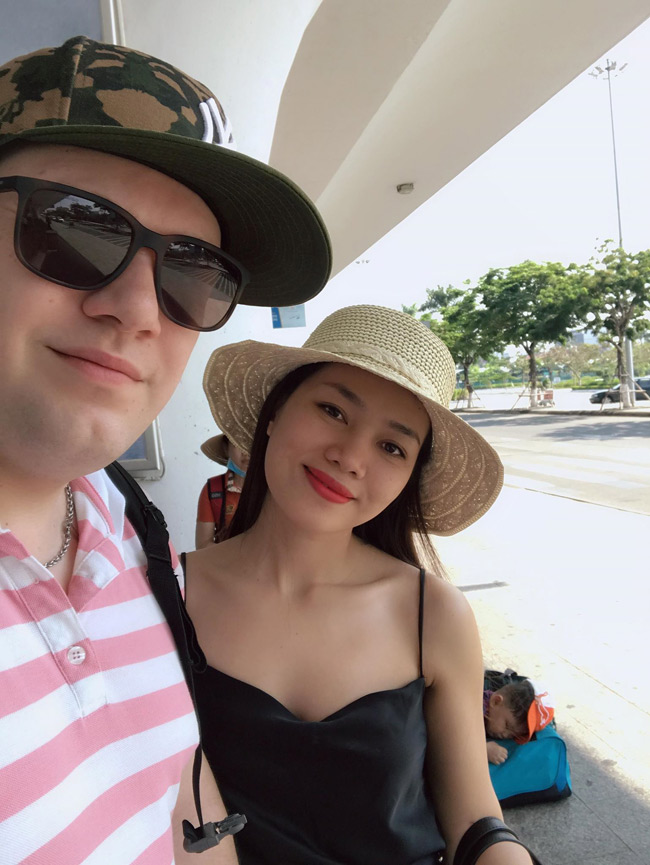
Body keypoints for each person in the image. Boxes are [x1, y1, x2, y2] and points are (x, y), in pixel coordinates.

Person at [0, 35, 330, 865]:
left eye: (194, 273)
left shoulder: (125, 519)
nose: (140, 309)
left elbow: (185, 801)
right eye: (75, 229)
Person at [184, 305, 536, 865]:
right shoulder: (168, 595)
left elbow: (474, 817)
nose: (349, 458)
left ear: (408, 477)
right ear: (274, 413)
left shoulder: (433, 613)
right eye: (332, 410)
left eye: (392, 447)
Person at [196, 434, 249, 548]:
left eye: (252, 442)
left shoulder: (275, 488)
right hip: (227, 559)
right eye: (238, 443)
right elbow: (203, 545)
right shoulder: (213, 489)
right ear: (226, 449)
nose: (246, 451)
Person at [484, 680, 555, 765]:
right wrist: (485, 749)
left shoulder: (496, 713)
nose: (505, 735)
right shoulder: (476, 709)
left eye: (513, 735)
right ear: (496, 702)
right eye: (507, 725)